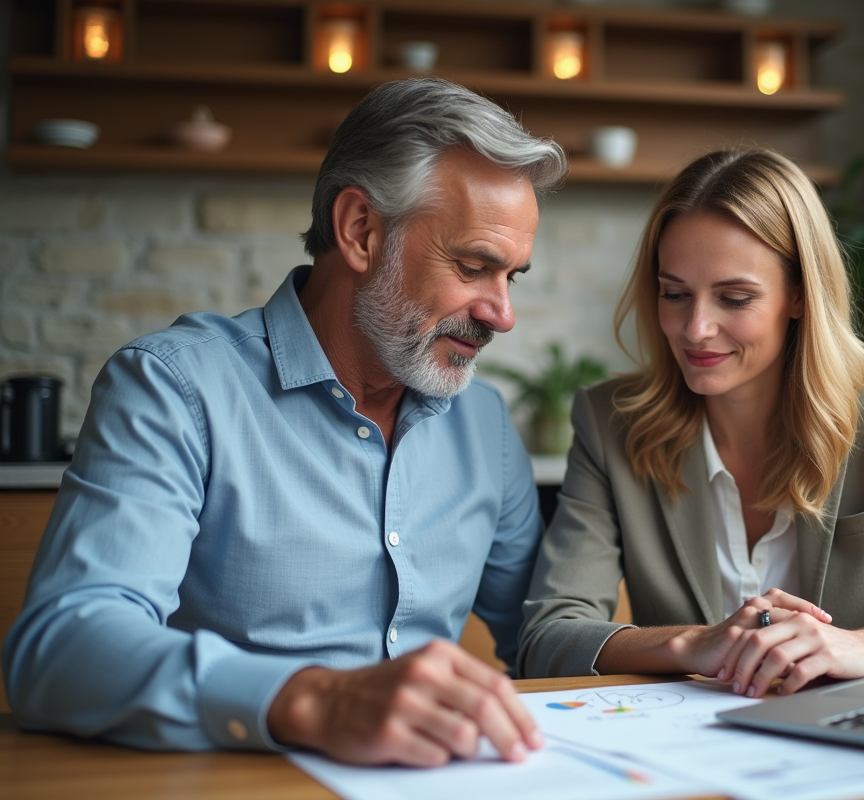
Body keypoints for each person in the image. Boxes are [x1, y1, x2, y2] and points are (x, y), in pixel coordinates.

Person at [3, 78, 568, 767]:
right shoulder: (175, 388)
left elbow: (540, 635)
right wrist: (314, 700)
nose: (501, 313)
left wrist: (685, 645)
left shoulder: (483, 425)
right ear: (360, 230)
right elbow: (58, 651)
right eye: (476, 267)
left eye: (513, 277)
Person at [518, 148, 864, 698]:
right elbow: (548, 636)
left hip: (858, 742)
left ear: (798, 295)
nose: (695, 328)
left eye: (734, 297)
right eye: (674, 294)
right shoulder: (611, 424)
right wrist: (694, 644)